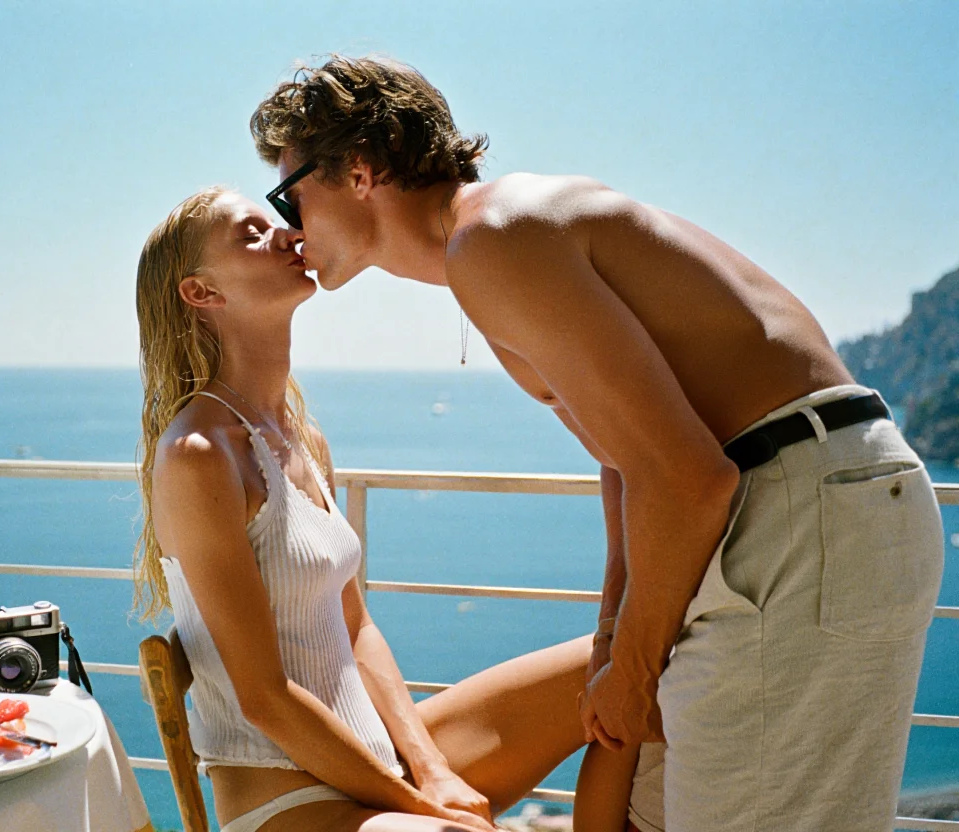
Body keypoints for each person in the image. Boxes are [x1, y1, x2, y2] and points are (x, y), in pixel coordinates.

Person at [248, 55, 946, 832]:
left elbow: (686, 476)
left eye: (290, 193)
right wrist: (616, 643)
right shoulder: (488, 247)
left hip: (796, 511)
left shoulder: (498, 239)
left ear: (361, 168)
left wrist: (636, 670)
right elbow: (624, 463)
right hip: (800, 506)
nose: (288, 225)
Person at [132, 186, 646, 832]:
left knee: (630, 666)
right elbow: (264, 700)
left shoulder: (299, 435)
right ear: (200, 293)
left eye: (281, 224)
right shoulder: (198, 455)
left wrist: (430, 769)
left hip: (375, 764)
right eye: (251, 234)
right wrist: (425, 805)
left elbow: (356, 628)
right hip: (289, 805)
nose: (290, 236)